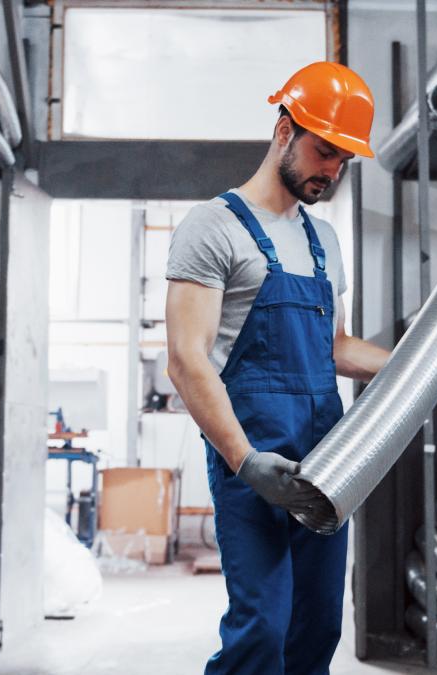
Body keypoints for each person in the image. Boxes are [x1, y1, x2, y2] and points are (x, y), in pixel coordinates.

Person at [164, 62, 391, 674]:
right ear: (285, 129)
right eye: (324, 153)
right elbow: (188, 361)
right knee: (262, 627)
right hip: (253, 458)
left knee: (316, 627)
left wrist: (417, 364)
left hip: (326, 460)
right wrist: (245, 460)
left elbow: (335, 348)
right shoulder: (213, 227)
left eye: (344, 161)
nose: (332, 172)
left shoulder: (325, 243)